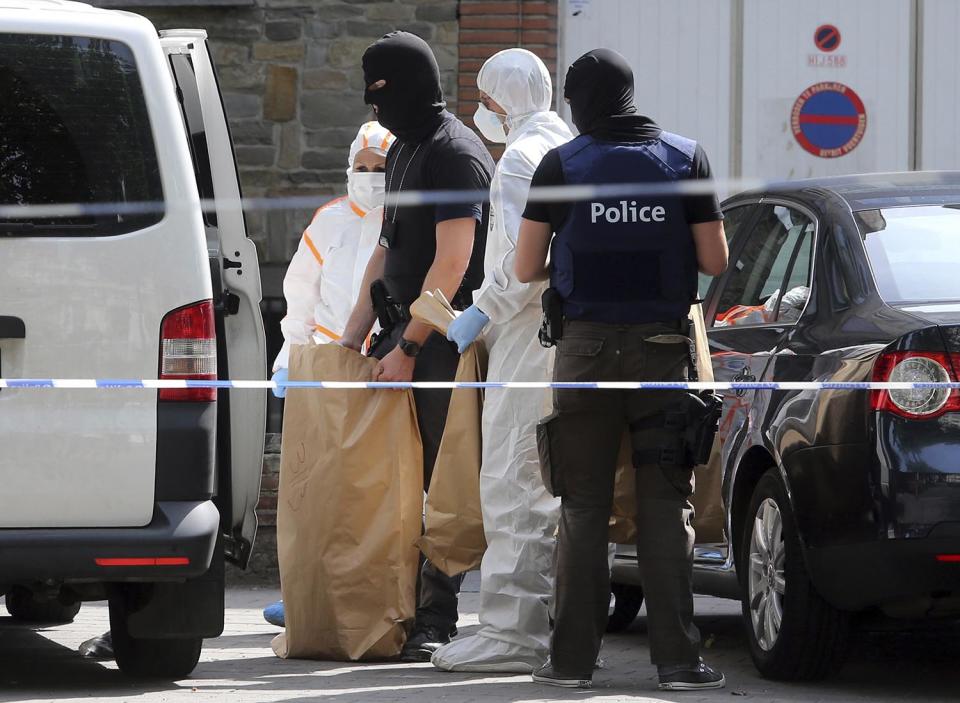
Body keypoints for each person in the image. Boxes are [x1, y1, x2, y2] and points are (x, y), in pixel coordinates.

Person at [514, 48, 729, 691]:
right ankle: (679, 663)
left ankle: (571, 664)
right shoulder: (686, 157)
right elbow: (714, 260)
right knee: (666, 507)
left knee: (583, 507)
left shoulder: (562, 163)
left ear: (579, 102)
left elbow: (525, 267)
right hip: (665, 352)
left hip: (583, 353)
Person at [338, 31, 495, 663]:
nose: (376, 110)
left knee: (441, 480)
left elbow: (453, 264)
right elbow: (388, 246)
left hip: (439, 346)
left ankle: (436, 614)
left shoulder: (455, 153)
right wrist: (352, 334)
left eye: (382, 94)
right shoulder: (403, 149)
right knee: (400, 478)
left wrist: (408, 345)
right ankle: (400, 603)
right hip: (398, 337)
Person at [430, 49, 572, 674]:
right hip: (561, 334)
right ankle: (535, 624)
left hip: (525, 334)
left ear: (501, 102)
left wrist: (479, 312)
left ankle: (513, 633)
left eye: (485, 102)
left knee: (515, 479)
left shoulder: (519, 159)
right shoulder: (565, 141)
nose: (481, 114)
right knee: (552, 485)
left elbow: (520, 261)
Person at [262, 120, 395, 628]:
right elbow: (301, 294)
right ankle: (304, 591)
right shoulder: (329, 221)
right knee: (312, 485)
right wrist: (287, 360)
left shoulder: (407, 220)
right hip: (324, 366)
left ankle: (367, 594)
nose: (369, 177)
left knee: (370, 488)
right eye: (361, 168)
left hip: (382, 366)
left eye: (380, 168)